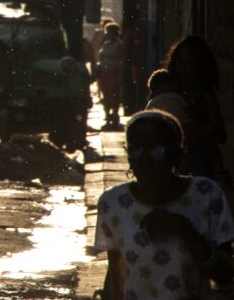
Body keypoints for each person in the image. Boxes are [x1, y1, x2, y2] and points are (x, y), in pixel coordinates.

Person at [96, 111, 234, 298]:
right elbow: (115, 276)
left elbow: (225, 275)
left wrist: (182, 228)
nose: (144, 160)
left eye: (157, 151)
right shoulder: (113, 203)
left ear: (177, 155)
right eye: (135, 150)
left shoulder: (206, 194)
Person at [164, 36, 228, 181]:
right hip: (172, 164)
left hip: (199, 166)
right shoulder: (169, 91)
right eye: (180, 62)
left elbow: (221, 136)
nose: (183, 68)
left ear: (199, 66)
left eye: (189, 63)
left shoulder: (205, 95)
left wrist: (198, 123)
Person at [97, 23, 127, 130]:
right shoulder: (105, 44)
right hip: (103, 73)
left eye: (111, 32)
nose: (109, 34)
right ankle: (107, 116)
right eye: (108, 32)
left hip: (114, 72)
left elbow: (122, 61)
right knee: (105, 96)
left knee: (113, 95)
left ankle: (114, 115)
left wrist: (120, 75)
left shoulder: (120, 45)